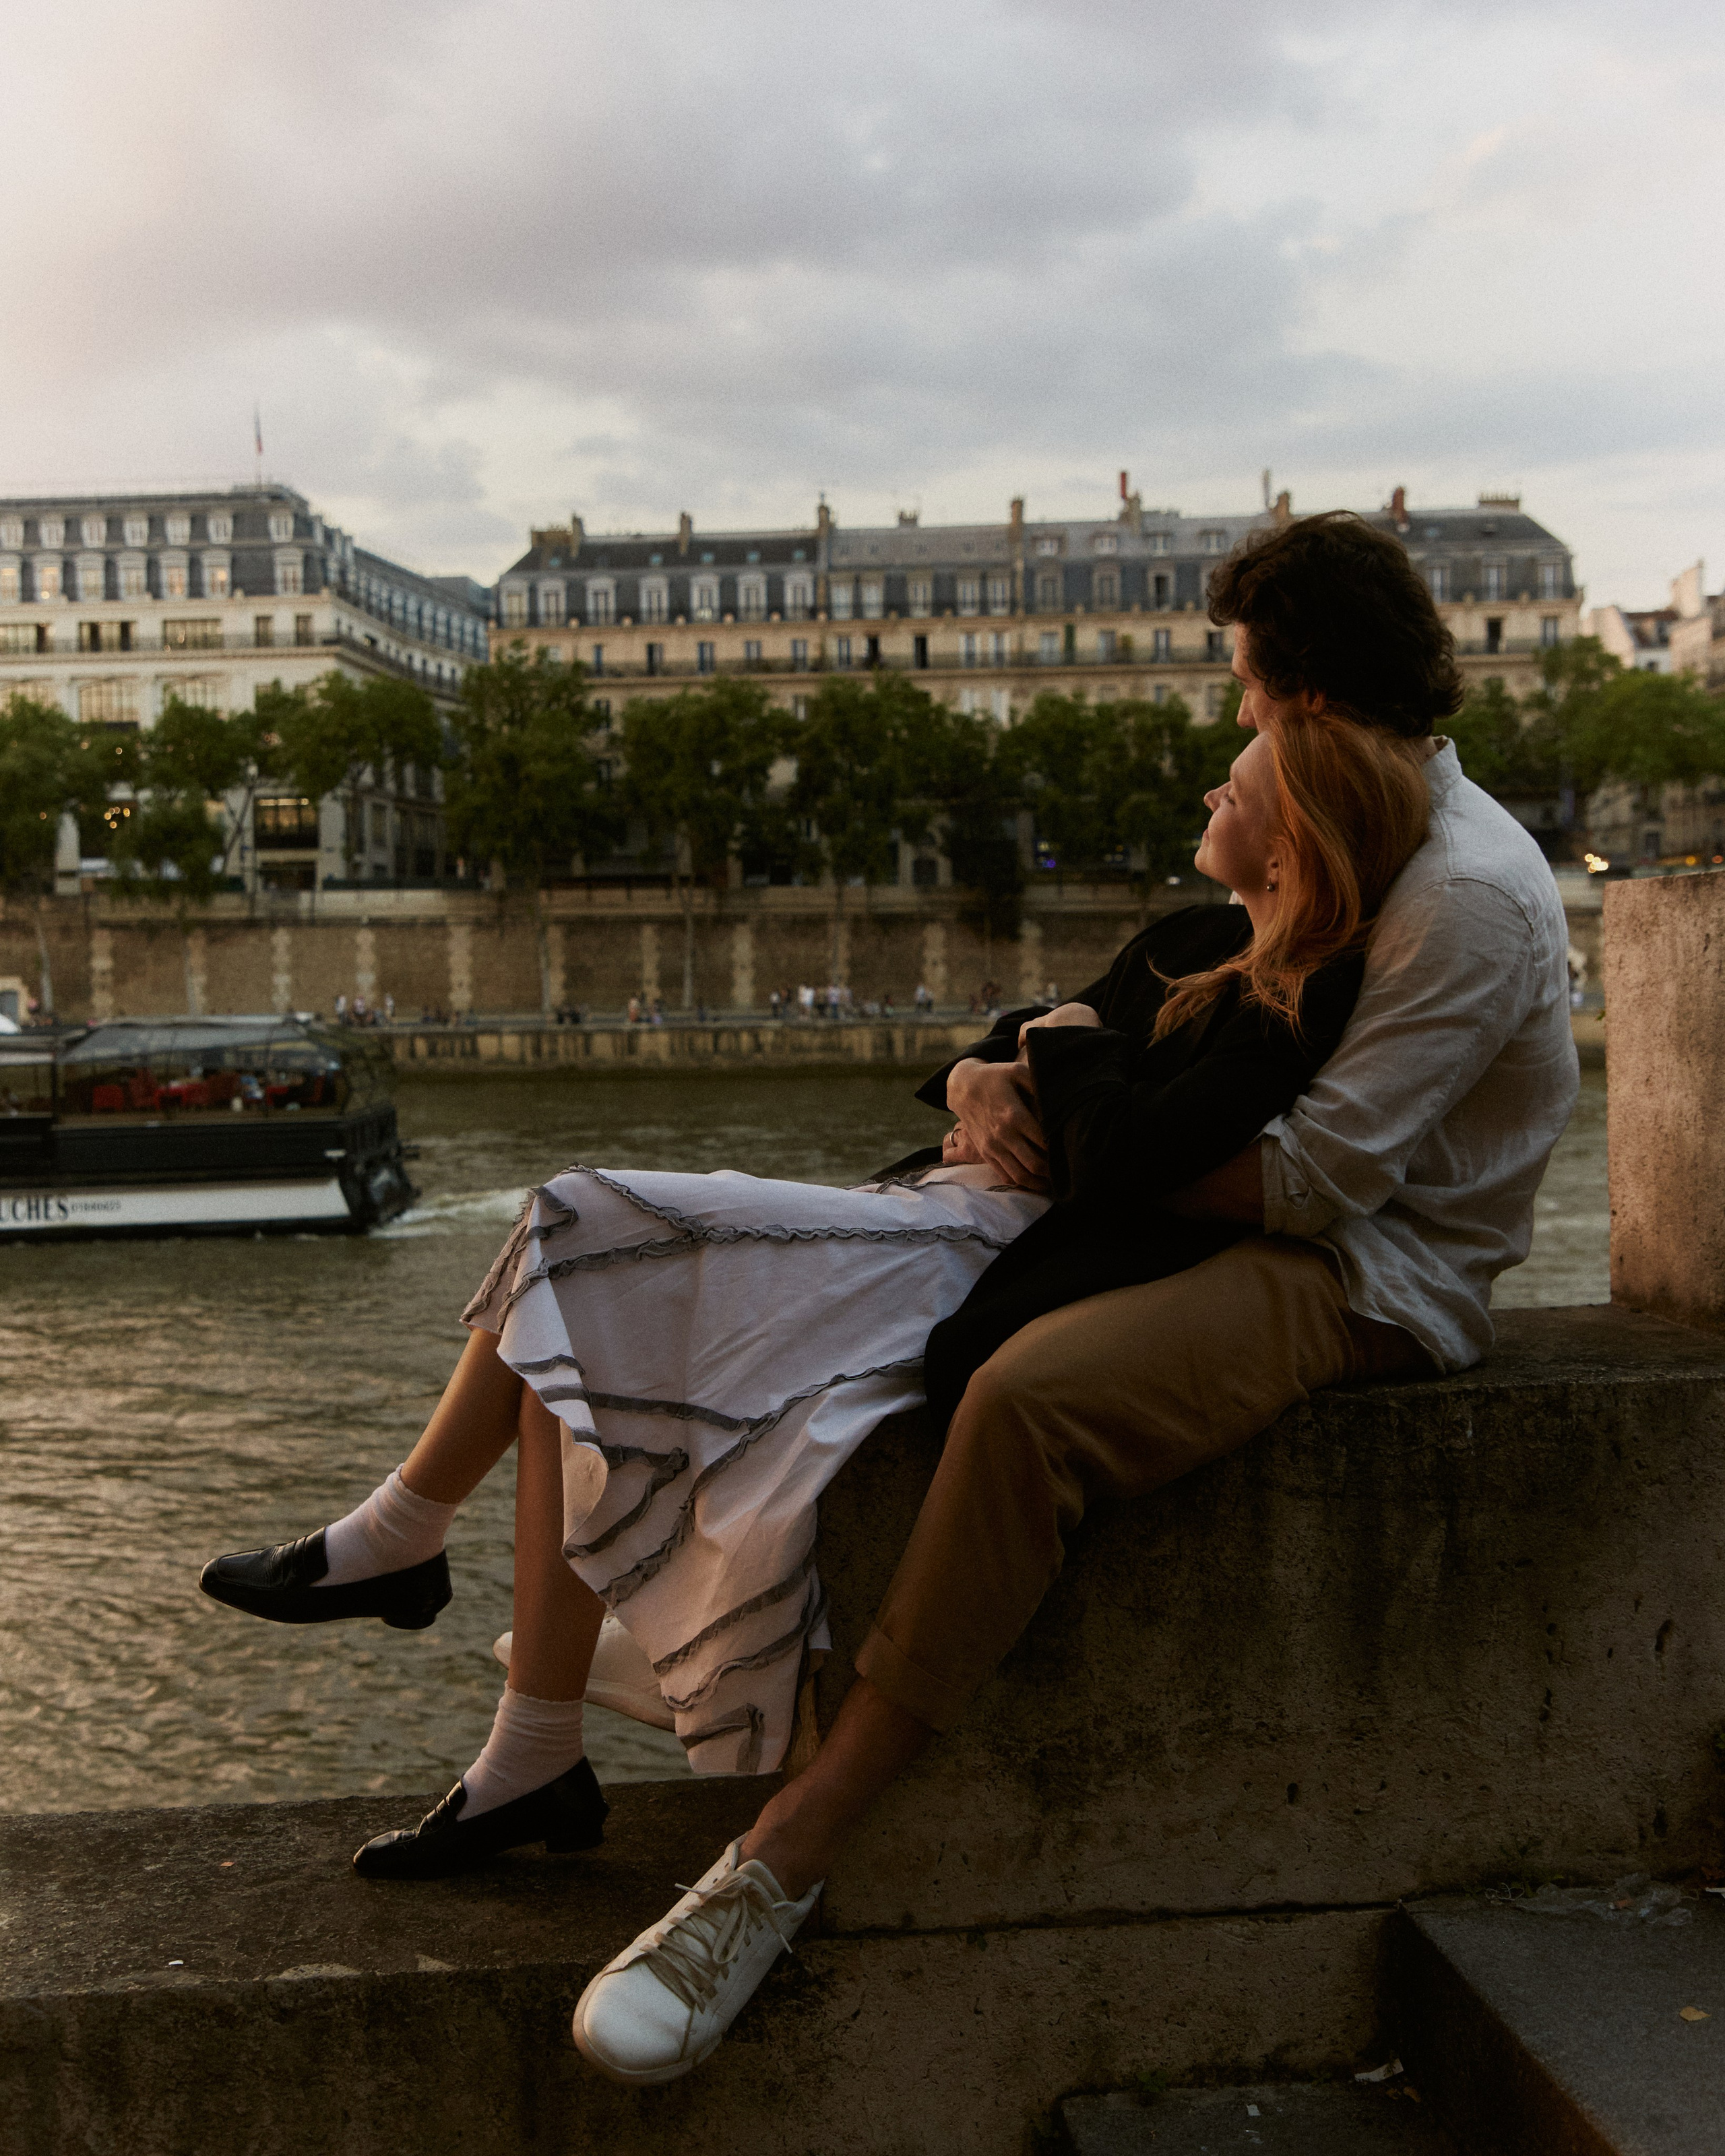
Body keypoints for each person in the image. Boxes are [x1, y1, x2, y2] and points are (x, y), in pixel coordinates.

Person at [199, 641, 1435, 2072]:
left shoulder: (1302, 997)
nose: (1214, 771)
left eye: (1240, 775)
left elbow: (1119, 1152)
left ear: (1289, 834)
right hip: (927, 1207)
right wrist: (1002, 1062)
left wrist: (1063, 1046)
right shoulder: (1181, 936)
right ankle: (523, 1747)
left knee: (577, 1224)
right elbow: (1005, 1050)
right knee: (579, 1279)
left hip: (973, 1258)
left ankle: (408, 1539)